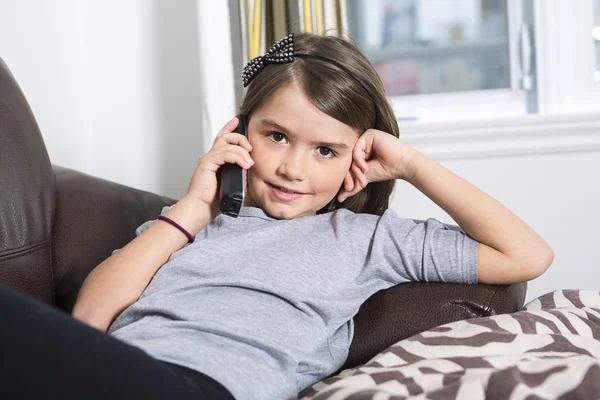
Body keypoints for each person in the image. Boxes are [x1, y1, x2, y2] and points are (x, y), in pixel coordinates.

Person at [0, 32, 553, 400]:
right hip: (114, 373)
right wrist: (191, 210)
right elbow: (90, 319)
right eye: (278, 136)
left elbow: (528, 255)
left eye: (325, 151)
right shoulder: (188, 225)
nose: (293, 168)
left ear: (358, 158)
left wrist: (410, 163)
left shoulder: (368, 239)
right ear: (240, 133)